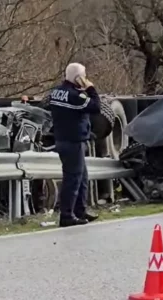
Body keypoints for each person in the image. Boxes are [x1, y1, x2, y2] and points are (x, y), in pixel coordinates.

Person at [48, 62, 101, 227]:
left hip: (63, 138)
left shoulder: (56, 92)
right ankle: (66, 215)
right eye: (83, 76)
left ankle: (79, 210)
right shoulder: (76, 97)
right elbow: (96, 106)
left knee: (82, 178)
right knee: (73, 179)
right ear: (78, 78)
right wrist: (90, 89)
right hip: (73, 141)